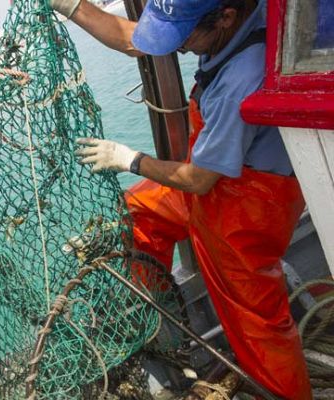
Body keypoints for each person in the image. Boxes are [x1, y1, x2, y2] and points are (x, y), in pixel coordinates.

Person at [51, 0, 311, 398]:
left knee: (257, 323)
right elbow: (131, 38)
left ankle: (286, 393)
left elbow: (197, 179)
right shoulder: (227, 23)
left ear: (225, 17)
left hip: (248, 206)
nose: (180, 47)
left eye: (184, 37)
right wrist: (71, 6)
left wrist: (129, 159)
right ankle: (153, 320)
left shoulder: (242, 77)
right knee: (136, 213)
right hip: (216, 181)